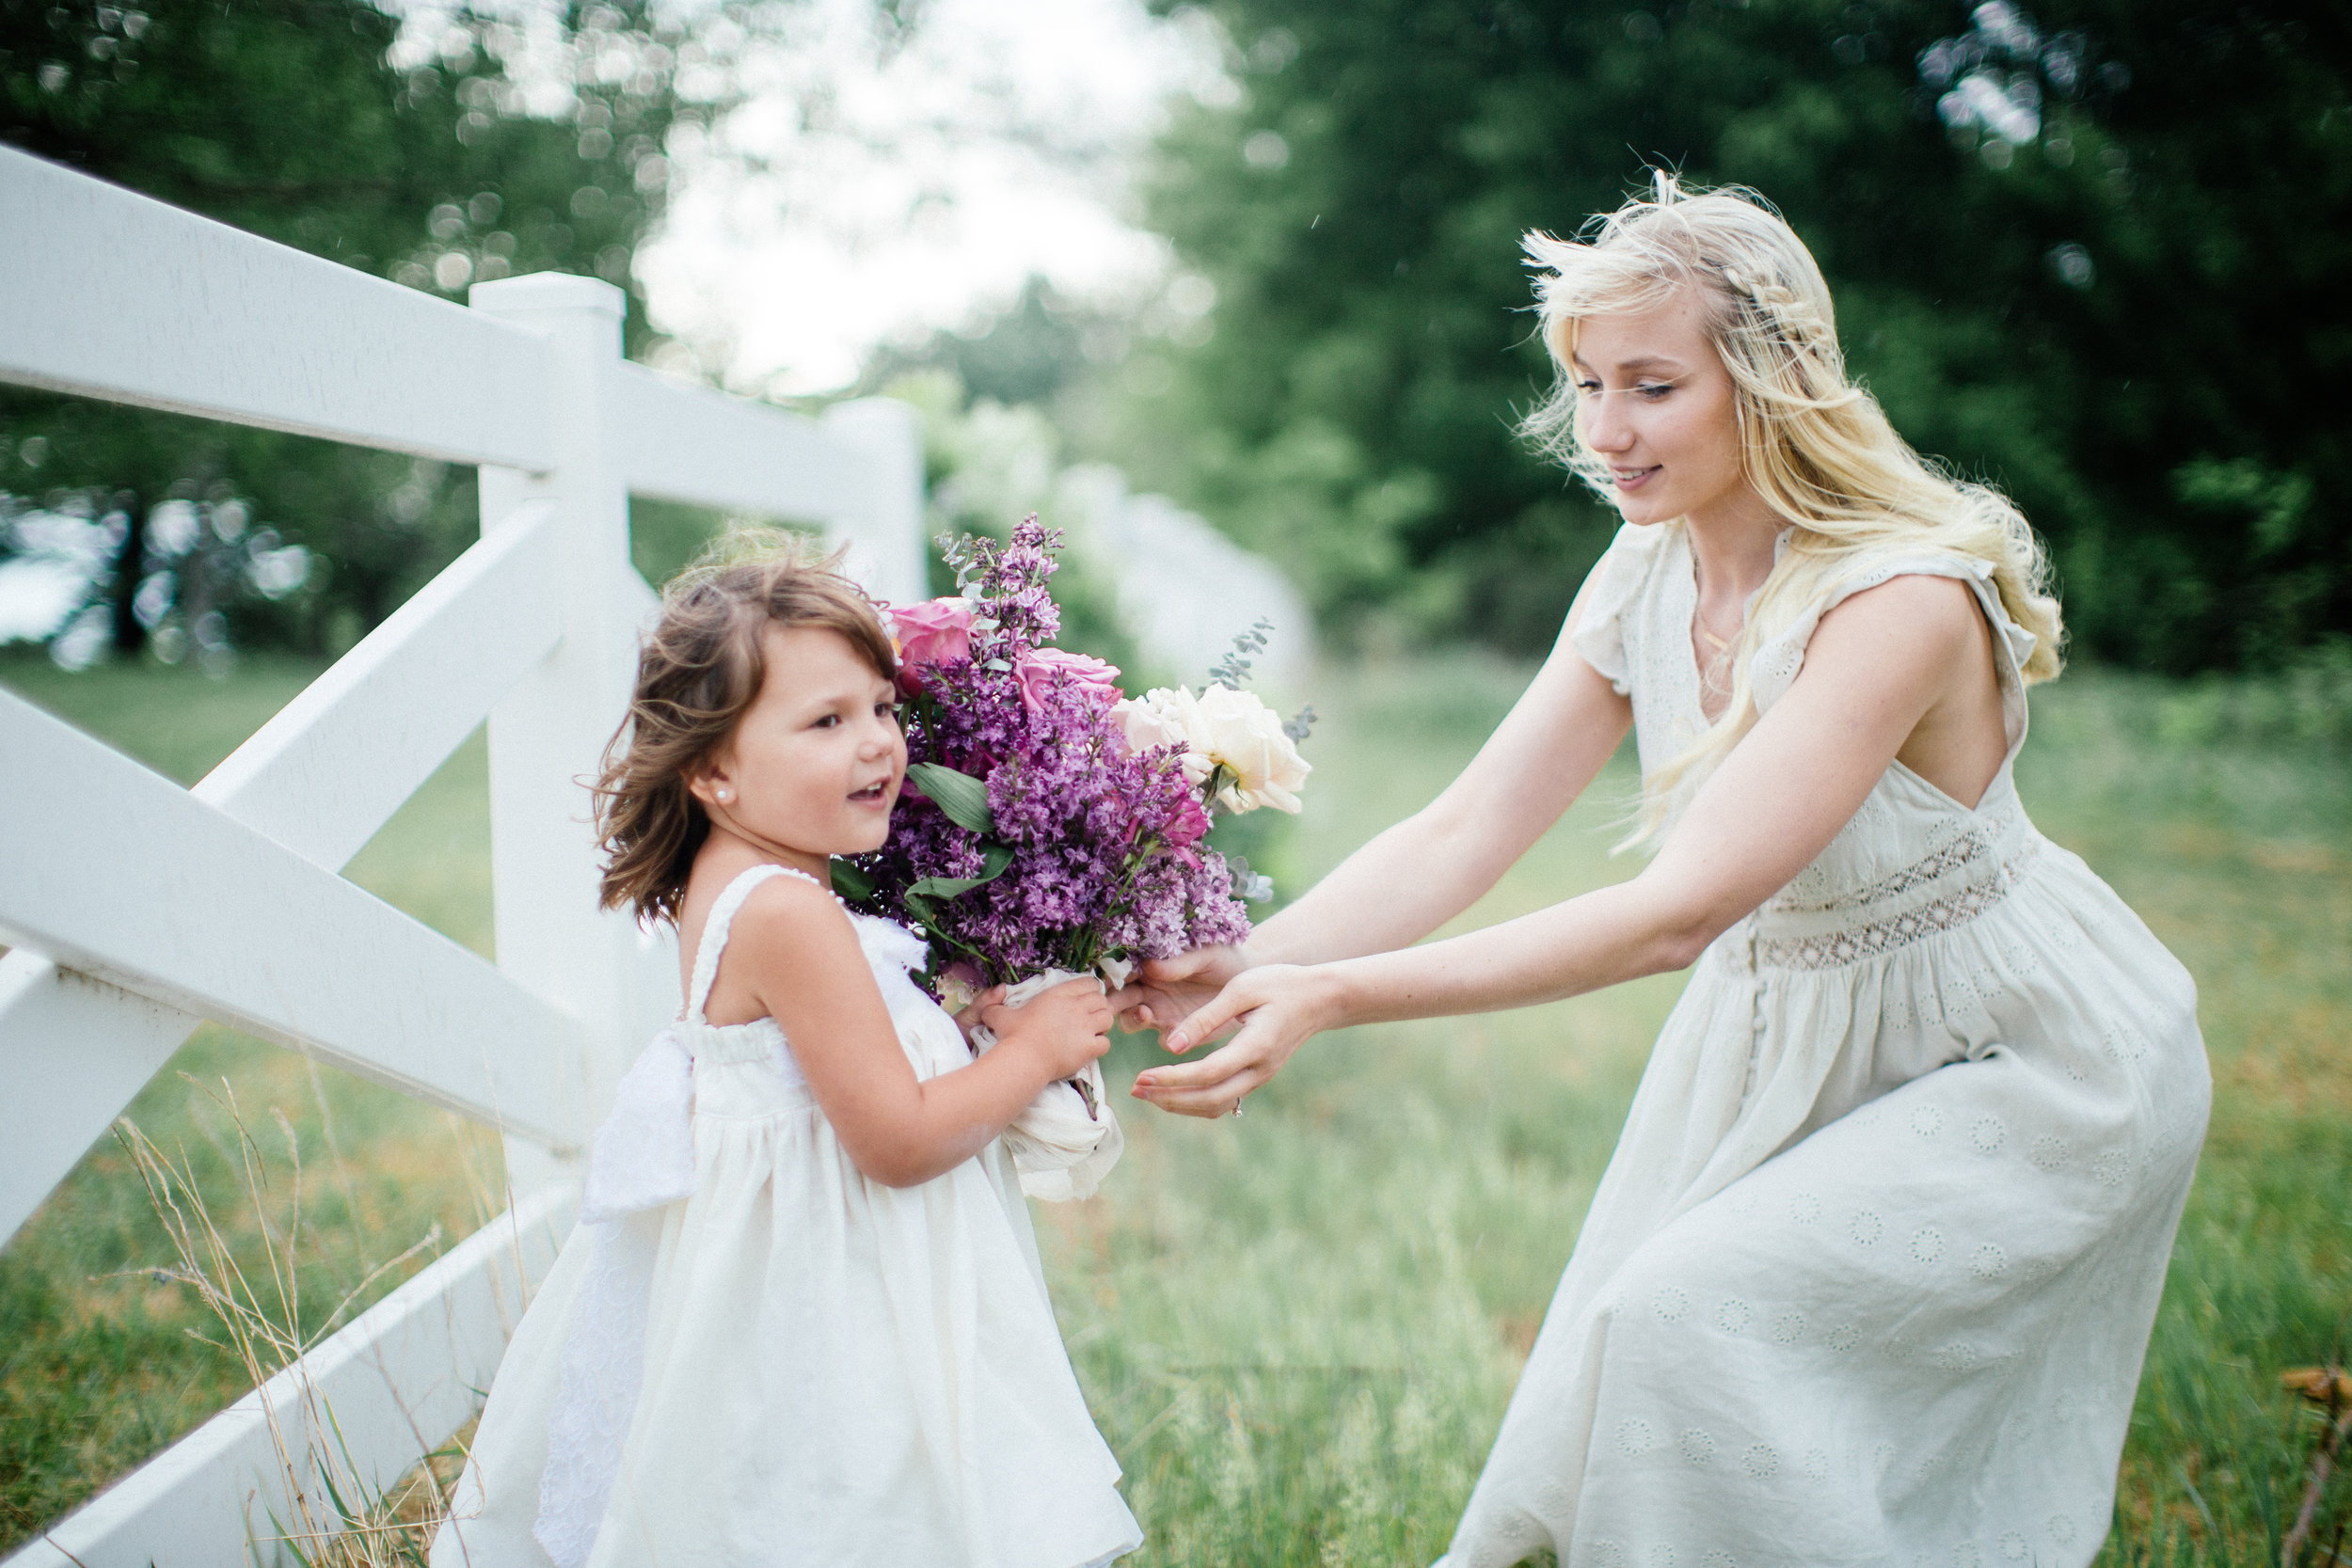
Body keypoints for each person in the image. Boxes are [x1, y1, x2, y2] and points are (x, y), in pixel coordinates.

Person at [1115, 179, 2210, 1567]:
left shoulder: (1900, 598)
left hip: (2020, 1053)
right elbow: (1465, 827)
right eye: (1586, 384)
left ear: (1769, 381)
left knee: (1689, 1322)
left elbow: (1676, 911)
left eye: (1652, 384)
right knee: (1688, 1384)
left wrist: (1333, 995)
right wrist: (1252, 960)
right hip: (1796, 1033)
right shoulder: (1643, 570)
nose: (1607, 430)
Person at [431, 539, 1141, 1568]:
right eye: (826, 720)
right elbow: (896, 1138)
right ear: (716, 767)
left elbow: (846, 1055)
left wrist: (957, 1026)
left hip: (788, 1275)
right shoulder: (790, 913)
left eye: (883, 709)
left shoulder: (738, 880)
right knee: (854, 1507)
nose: (880, 746)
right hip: (838, 1290)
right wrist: (1029, 1051)